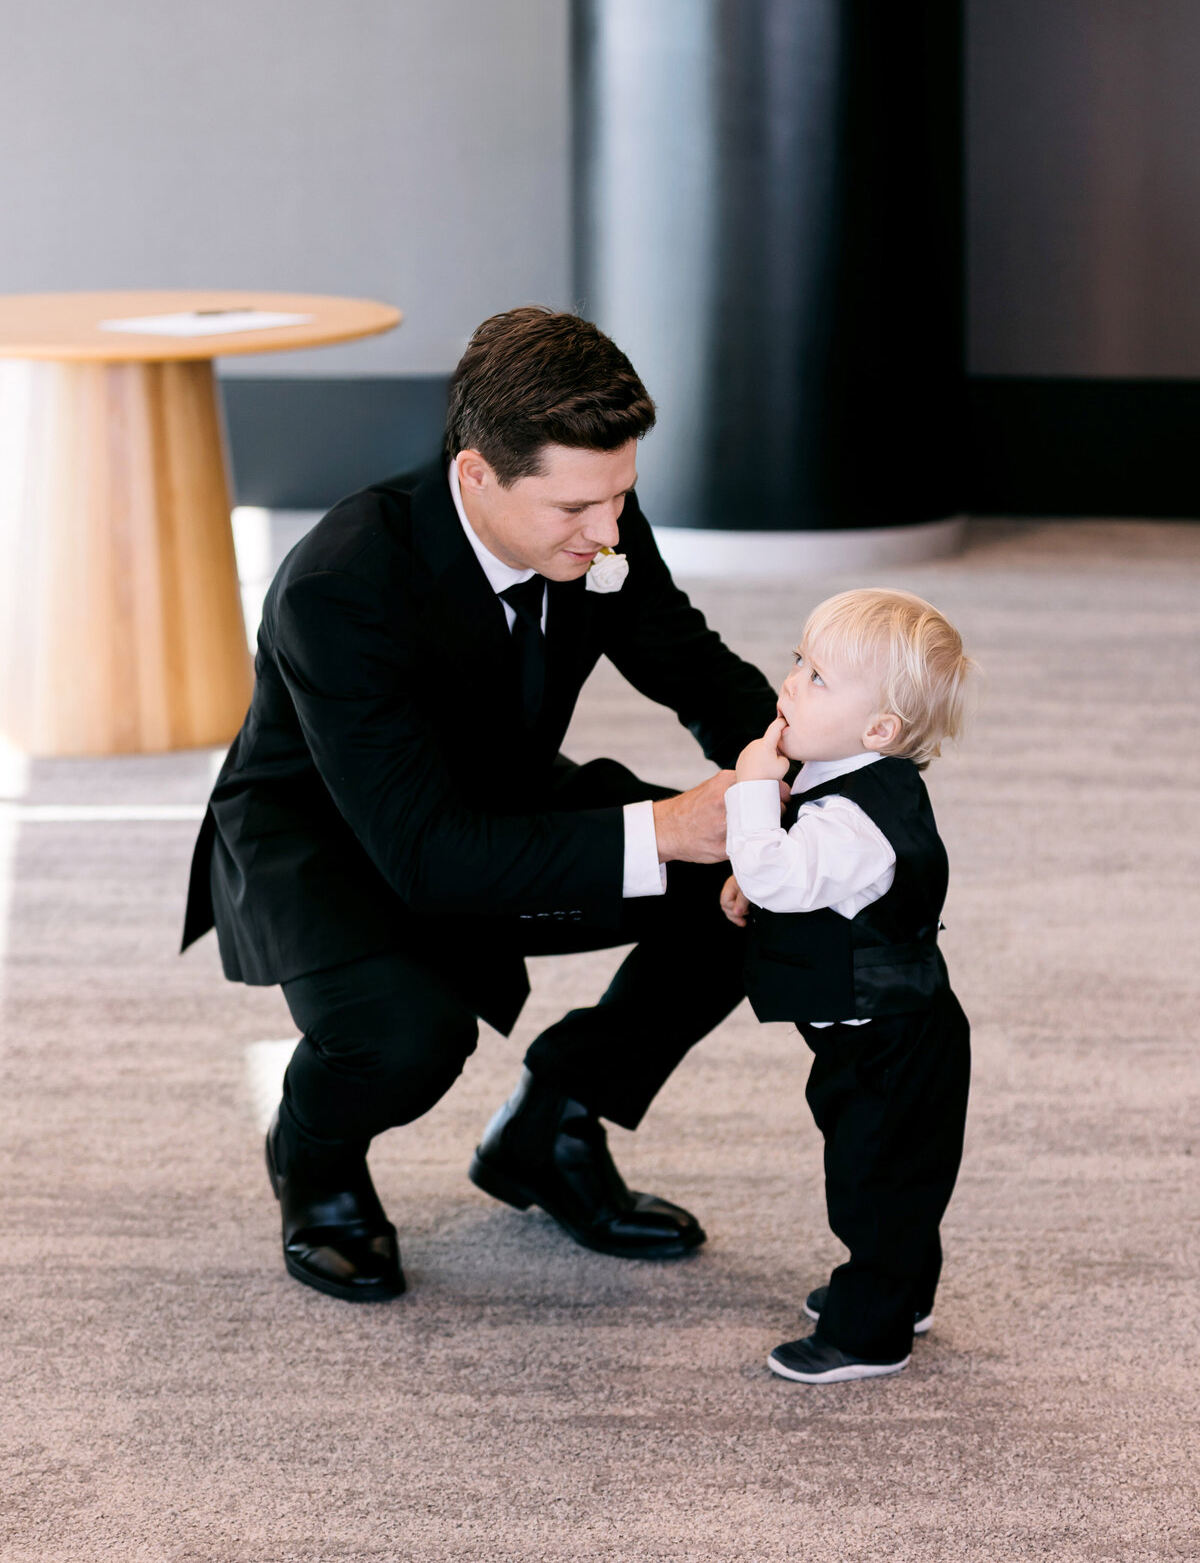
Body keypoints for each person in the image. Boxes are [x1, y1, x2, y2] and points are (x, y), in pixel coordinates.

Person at [182, 306, 778, 1301]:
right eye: (575, 510)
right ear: (476, 476)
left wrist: (789, 773)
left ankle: (552, 1127)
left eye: (620, 498)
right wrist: (669, 827)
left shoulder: (595, 512)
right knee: (412, 1039)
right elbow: (426, 858)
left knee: (759, 880)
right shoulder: (340, 585)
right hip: (330, 840)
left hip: (491, 795)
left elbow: (700, 672)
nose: (608, 531)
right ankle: (315, 1161)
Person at [720, 588, 973, 1382]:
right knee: (894, 1164)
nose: (791, 681)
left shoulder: (857, 818)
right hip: (883, 1025)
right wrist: (758, 883)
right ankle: (904, 1291)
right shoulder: (849, 776)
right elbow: (800, 879)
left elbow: (782, 870)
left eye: (818, 676)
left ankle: (872, 1333)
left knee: (874, 1179)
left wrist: (752, 789)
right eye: (800, 660)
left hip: (889, 1036)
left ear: (880, 730)